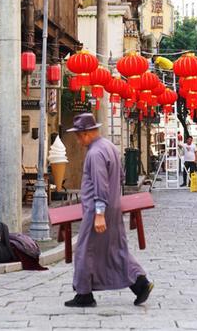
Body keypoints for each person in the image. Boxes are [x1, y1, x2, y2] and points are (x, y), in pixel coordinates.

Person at [64, 113, 153, 308]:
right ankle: (140, 284)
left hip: (98, 210)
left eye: (79, 136)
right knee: (115, 249)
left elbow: (100, 186)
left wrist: (99, 213)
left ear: (87, 133)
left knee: (84, 250)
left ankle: (84, 294)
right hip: (113, 206)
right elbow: (120, 177)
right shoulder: (110, 147)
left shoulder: (95, 153)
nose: (78, 140)